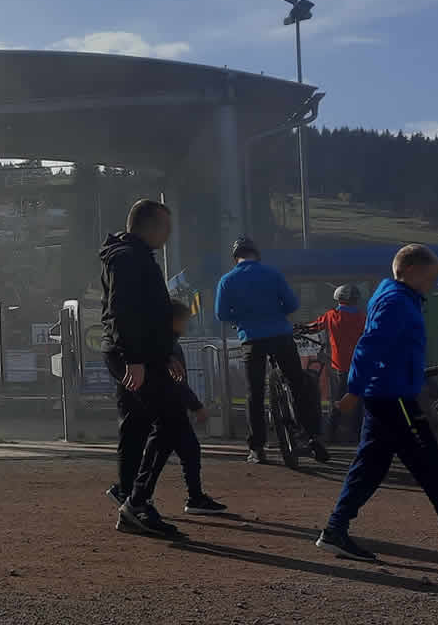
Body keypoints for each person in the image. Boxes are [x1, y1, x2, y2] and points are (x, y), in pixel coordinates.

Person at [315, 245, 438, 567]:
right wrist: (353, 391)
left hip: (387, 396)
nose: (431, 283)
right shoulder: (397, 302)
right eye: (429, 276)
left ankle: (334, 530)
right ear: (411, 271)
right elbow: (369, 347)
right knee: (435, 470)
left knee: (368, 469)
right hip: (393, 397)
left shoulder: (396, 296)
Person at [99, 199, 196, 537]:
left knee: (137, 424)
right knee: (171, 422)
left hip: (141, 354)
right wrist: (135, 359)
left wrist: (164, 351)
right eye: (165, 227)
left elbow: (148, 313)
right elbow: (121, 311)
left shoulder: (131, 256)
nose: (168, 235)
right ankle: (136, 503)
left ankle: (129, 494)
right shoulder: (128, 259)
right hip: (134, 356)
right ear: (150, 225)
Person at [106, 300, 229, 515]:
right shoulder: (168, 346)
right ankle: (138, 497)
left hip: (166, 407)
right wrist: (196, 406)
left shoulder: (161, 344)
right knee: (168, 449)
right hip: (170, 408)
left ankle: (141, 494)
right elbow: (176, 382)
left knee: (179, 450)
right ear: (173, 320)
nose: (187, 325)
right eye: (184, 320)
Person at [215, 236, 329, 464]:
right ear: (257, 254)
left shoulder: (227, 280)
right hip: (281, 336)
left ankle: (257, 448)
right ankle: (314, 437)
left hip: (252, 340)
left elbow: (222, 314)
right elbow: (292, 305)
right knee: (298, 383)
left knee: (254, 393)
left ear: (235, 257)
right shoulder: (272, 274)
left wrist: (242, 319)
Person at [303, 284, 367, 443]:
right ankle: (358, 433)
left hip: (341, 365)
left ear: (339, 299)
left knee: (339, 399)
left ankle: (330, 433)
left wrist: (300, 328)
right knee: (358, 399)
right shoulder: (362, 317)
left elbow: (314, 327)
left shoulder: (332, 315)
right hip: (361, 364)